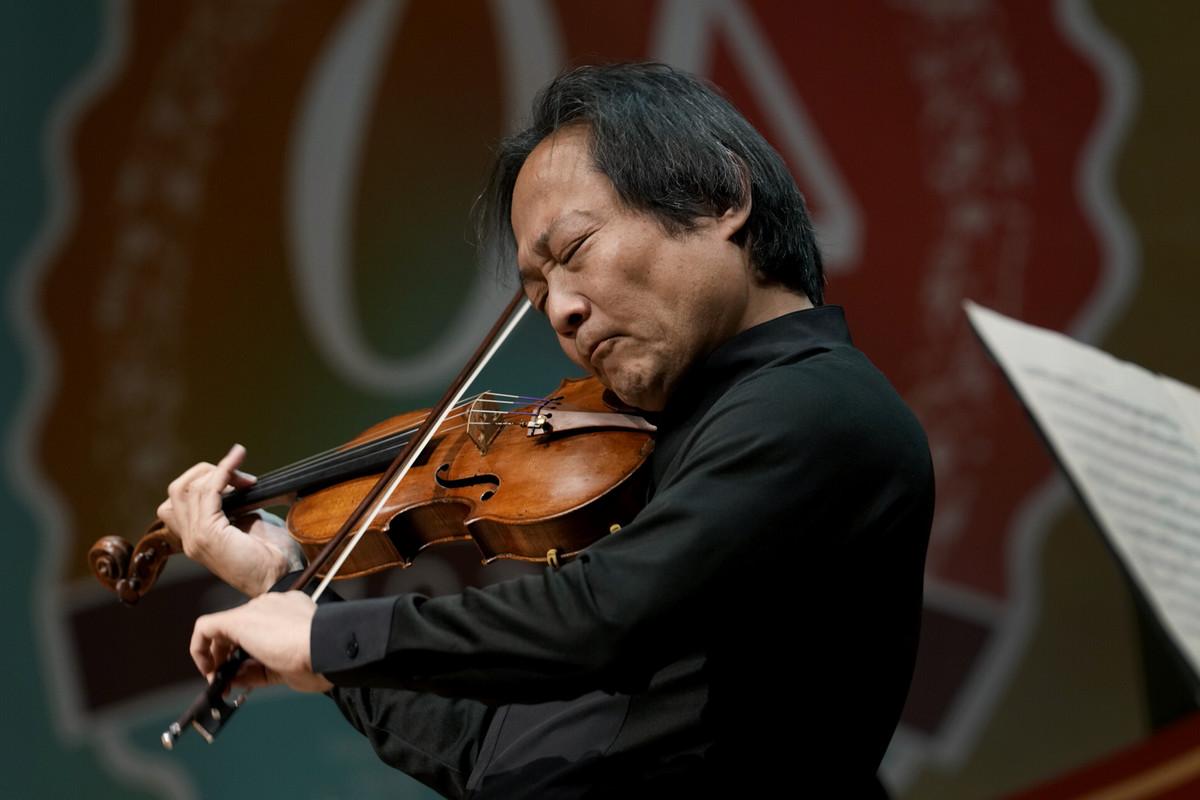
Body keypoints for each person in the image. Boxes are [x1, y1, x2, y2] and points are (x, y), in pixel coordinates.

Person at [159, 63, 934, 797]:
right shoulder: (679, 458)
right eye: (538, 293)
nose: (561, 311)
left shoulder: (817, 408)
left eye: (573, 251)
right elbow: (483, 754)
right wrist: (284, 586)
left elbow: (595, 616)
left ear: (718, 196)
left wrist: (331, 637)